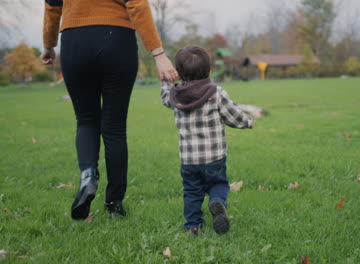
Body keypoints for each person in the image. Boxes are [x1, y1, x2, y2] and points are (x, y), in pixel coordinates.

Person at [41, 0, 178, 220]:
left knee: (86, 120)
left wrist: (48, 45)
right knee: (114, 128)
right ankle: (114, 204)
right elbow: (137, 4)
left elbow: (52, 6)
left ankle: (88, 175)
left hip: (75, 41)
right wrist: (158, 54)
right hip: (118, 40)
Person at [160, 46, 253, 235]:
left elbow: (164, 96)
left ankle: (193, 226)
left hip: (189, 161)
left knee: (192, 193)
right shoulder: (216, 92)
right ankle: (216, 202)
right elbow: (234, 116)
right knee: (218, 184)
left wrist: (165, 80)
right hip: (214, 158)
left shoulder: (175, 94)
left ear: (178, 73)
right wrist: (248, 121)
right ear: (209, 70)